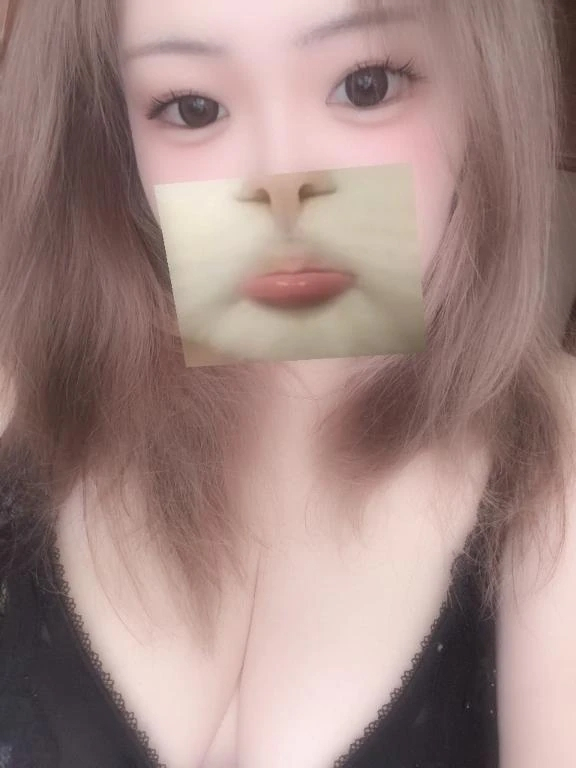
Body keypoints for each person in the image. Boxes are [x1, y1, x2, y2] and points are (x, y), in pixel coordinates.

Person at [0, 0, 575, 766]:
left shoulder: (553, 463)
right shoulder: (24, 393)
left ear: (485, 96)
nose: (281, 183)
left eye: (367, 85)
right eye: (192, 107)